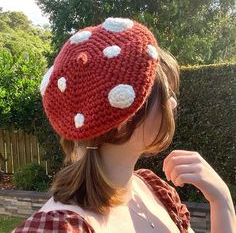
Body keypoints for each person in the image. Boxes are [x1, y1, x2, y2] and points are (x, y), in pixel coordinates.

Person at [13, 17, 235, 233]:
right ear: (124, 117)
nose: (173, 102)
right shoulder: (60, 228)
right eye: (165, 94)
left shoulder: (153, 190)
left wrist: (221, 201)